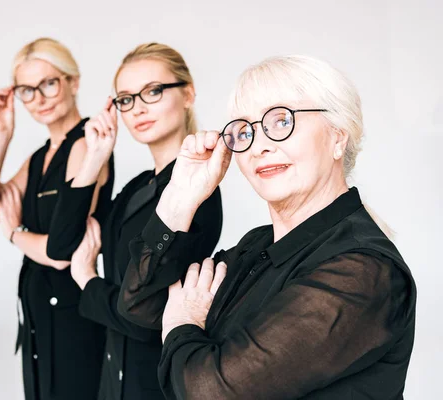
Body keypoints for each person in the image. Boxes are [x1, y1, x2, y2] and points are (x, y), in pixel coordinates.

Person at [118, 55, 417, 399]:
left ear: (337, 137)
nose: (259, 146)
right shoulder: (257, 246)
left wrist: (183, 322)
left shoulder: (362, 270)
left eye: (280, 121)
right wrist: (180, 198)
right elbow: (141, 304)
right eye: (245, 130)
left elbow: (211, 391)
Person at [59, 43, 223, 400]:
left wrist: (88, 282)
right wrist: (95, 157)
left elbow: (147, 318)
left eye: (152, 91)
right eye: (126, 99)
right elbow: (64, 244)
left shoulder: (197, 191)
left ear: (188, 94)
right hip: (112, 376)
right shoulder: (138, 186)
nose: (138, 108)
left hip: (156, 382)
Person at [0, 37, 112, 400]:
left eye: (48, 83)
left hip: (72, 317)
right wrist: (2, 134)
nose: (40, 98)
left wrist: (15, 234)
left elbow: (61, 252)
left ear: (73, 82)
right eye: (27, 90)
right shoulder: (38, 158)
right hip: (38, 319)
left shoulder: (85, 145)